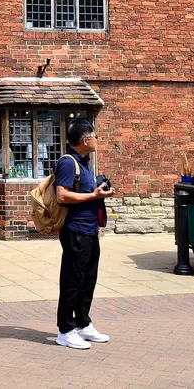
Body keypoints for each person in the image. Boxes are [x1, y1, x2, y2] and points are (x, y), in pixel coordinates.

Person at [55, 118, 115, 349]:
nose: (98, 140)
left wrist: (99, 190)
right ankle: (65, 330)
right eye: (95, 136)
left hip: (90, 230)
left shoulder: (85, 162)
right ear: (85, 139)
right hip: (75, 231)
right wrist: (94, 196)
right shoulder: (68, 163)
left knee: (88, 279)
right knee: (72, 281)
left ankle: (82, 323)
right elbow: (62, 196)